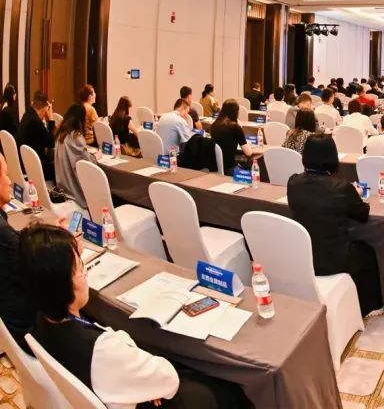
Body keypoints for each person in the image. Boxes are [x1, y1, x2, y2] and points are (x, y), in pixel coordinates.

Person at [19, 223, 244, 407]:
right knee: (224, 390)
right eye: (79, 269)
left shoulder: (43, 320)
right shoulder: (101, 349)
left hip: (116, 385)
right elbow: (168, 378)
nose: (85, 274)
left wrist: (140, 380)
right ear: (60, 284)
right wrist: (147, 382)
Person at [286, 136, 382, 314]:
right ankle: (364, 308)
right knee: (368, 252)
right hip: (335, 260)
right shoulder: (341, 187)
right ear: (332, 156)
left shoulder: (293, 182)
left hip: (304, 256)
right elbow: (362, 214)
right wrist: (357, 193)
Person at [0, 154, 34, 351]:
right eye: (5, 174)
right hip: (26, 329)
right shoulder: (4, 234)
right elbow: (37, 274)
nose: (9, 181)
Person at [54, 104, 97, 210]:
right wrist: (95, 156)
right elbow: (87, 164)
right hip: (75, 191)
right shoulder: (75, 137)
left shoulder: (61, 134)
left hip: (63, 186)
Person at [16, 92, 56, 181]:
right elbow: (51, 142)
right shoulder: (35, 122)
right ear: (45, 108)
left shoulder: (27, 114)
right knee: (59, 169)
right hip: (34, 167)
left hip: (23, 162)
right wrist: (51, 119)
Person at [210, 100, 258, 170]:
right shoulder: (235, 127)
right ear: (236, 112)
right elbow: (248, 153)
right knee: (258, 159)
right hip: (230, 167)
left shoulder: (214, 125)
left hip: (215, 165)